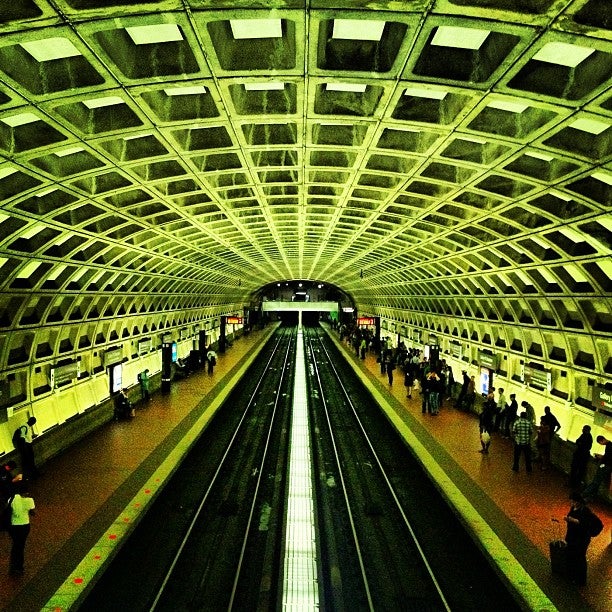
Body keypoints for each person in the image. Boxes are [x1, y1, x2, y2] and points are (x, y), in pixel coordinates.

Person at [563, 492, 597, 586]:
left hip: (581, 539)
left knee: (580, 557)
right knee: (572, 555)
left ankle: (581, 580)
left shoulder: (585, 511)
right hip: (572, 536)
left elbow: (584, 524)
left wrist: (572, 520)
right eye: (571, 501)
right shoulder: (574, 508)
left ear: (578, 501)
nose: (572, 503)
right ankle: (572, 575)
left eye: (574, 501)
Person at [8, 480, 35, 576]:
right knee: (20, 546)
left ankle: (13, 565)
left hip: (13, 526)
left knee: (15, 545)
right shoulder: (29, 500)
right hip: (24, 526)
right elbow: (33, 513)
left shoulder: (12, 499)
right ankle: (19, 567)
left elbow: (8, 508)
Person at [582, 435, 612, 501]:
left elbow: (609, 457)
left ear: (602, 440)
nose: (601, 444)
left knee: (596, 481)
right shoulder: (609, 445)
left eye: (600, 443)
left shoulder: (609, 446)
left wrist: (601, 457)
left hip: (605, 466)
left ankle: (585, 494)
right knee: (597, 482)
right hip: (606, 466)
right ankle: (591, 496)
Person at [569, 425, 593, 489]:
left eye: (583, 429)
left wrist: (580, 444)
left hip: (581, 456)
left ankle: (574, 483)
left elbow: (579, 442)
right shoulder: (586, 436)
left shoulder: (586, 436)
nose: (582, 430)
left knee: (577, 470)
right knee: (577, 470)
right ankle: (574, 483)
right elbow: (578, 442)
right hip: (581, 456)